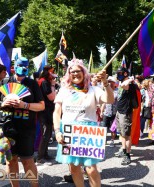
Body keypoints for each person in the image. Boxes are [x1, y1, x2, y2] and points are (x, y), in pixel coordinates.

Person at [53, 59, 114, 187]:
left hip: (88, 132)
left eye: (78, 71)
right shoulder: (63, 90)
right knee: (74, 167)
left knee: (91, 168)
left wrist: (105, 82)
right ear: (68, 74)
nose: (75, 74)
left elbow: (109, 100)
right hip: (68, 131)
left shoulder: (93, 89)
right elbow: (57, 112)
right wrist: (57, 131)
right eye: (72, 71)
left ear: (84, 72)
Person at [0, 57, 45, 187]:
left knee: (28, 161)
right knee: (11, 161)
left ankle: (34, 186)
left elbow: (41, 106)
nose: (23, 69)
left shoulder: (32, 84)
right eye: (21, 65)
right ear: (15, 66)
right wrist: (2, 103)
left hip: (26, 129)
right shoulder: (4, 81)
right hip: (7, 128)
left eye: (25, 66)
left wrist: (24, 105)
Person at [114, 67, 139, 165]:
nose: (118, 75)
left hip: (125, 112)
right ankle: (124, 150)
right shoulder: (123, 82)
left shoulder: (130, 84)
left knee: (127, 135)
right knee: (121, 134)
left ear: (125, 74)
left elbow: (124, 85)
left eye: (119, 73)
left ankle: (127, 155)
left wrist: (130, 79)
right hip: (119, 111)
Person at [36, 65, 57, 164]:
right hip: (45, 111)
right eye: (51, 72)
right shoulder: (44, 82)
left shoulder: (43, 81)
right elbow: (52, 97)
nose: (53, 74)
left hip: (47, 110)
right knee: (45, 134)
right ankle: (40, 157)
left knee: (48, 133)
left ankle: (45, 154)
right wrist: (53, 85)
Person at [100, 76, 118, 147]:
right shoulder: (106, 91)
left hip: (114, 112)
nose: (109, 83)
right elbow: (104, 102)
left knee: (113, 128)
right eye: (109, 82)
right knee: (104, 127)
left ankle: (112, 141)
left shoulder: (117, 91)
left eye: (111, 82)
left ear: (114, 83)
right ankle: (103, 140)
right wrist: (101, 111)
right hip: (106, 112)